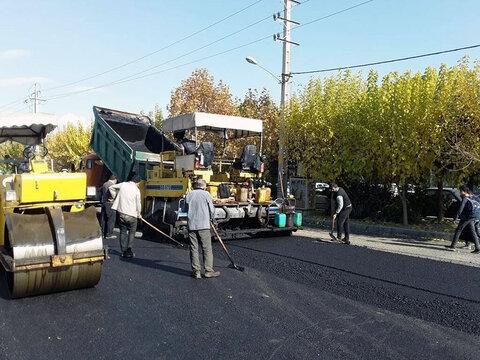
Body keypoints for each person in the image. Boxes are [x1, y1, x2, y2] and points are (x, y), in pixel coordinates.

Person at [185, 179, 220, 279]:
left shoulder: (189, 194)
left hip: (192, 225)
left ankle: (196, 271)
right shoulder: (206, 194)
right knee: (206, 248)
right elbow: (212, 210)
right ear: (203, 186)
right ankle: (208, 271)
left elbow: (185, 208)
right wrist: (213, 219)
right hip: (204, 225)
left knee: (193, 248)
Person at [109, 175, 142, 258]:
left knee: (123, 232)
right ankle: (129, 249)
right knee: (132, 232)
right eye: (139, 183)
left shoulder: (123, 184)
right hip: (132, 215)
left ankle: (123, 251)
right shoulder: (137, 190)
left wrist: (115, 197)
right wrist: (139, 214)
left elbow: (111, 187)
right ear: (137, 182)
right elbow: (138, 204)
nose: (138, 185)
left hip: (121, 214)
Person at [445, 185, 480, 254]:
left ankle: (453, 246)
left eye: (460, 191)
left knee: (458, 230)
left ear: (463, 191)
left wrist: (456, 217)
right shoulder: (472, 197)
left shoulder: (465, 198)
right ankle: (478, 248)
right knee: (473, 231)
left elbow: (461, 208)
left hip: (467, 217)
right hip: (475, 216)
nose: (459, 193)